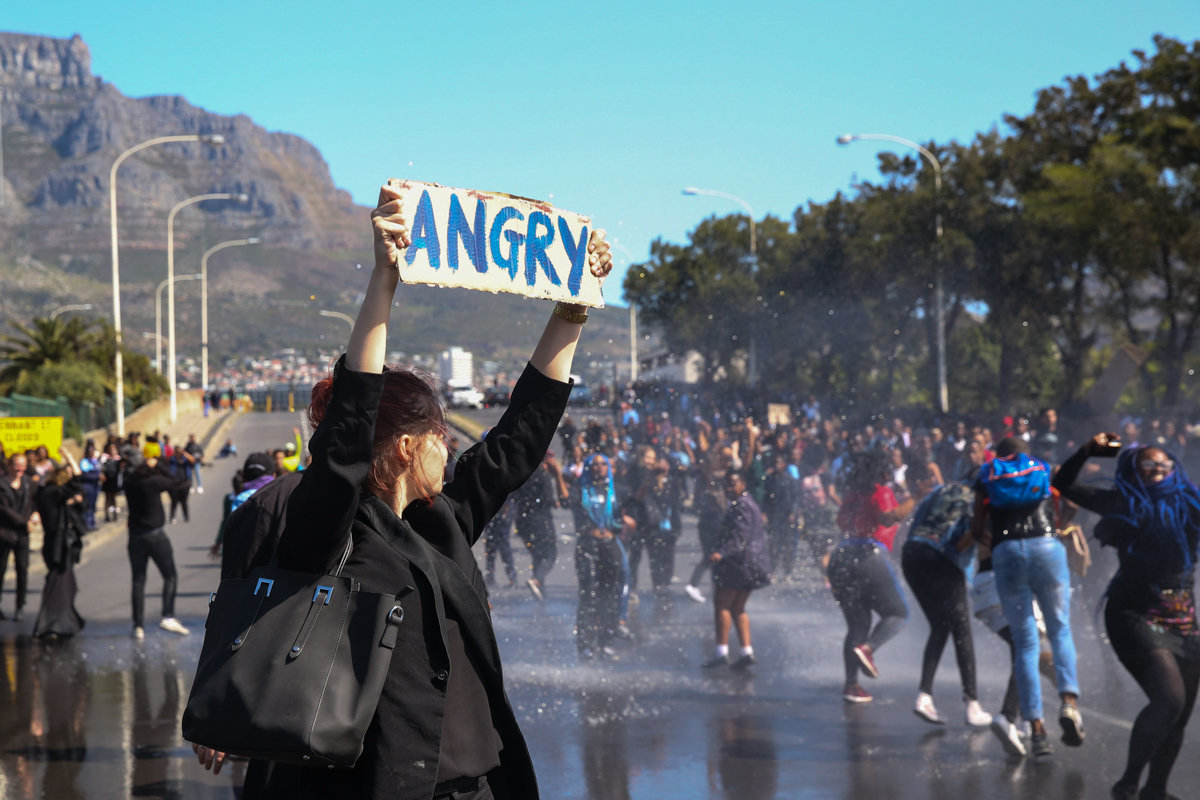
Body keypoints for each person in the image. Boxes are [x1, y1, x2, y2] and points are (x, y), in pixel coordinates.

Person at [206, 184, 613, 799]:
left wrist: (573, 306)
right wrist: (384, 280)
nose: (449, 448)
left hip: (472, 788)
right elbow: (345, 445)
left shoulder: (443, 519)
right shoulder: (327, 535)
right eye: (438, 435)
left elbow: (520, 437)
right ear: (404, 446)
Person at [1053, 435, 1200, 799]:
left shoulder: (1190, 503)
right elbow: (1064, 484)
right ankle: (1128, 784)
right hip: (1133, 614)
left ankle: (1155, 789)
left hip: (1183, 618)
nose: (1156, 473)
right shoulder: (1122, 501)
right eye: (1148, 468)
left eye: (1163, 467)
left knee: (1178, 716)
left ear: (1174, 470)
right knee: (1169, 700)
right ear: (1135, 471)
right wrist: (1087, 449)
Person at [968, 436, 1082, 759]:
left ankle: (1035, 729)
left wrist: (996, 540)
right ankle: (1067, 702)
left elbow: (976, 531)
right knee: (1055, 633)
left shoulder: (987, 479)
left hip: (993, 573)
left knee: (1026, 644)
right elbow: (1071, 504)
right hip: (1044, 551)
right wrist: (1056, 529)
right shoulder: (1042, 471)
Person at [900, 461, 992, 727]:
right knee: (962, 630)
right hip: (941, 558)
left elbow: (916, 523)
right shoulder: (980, 500)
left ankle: (924, 696)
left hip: (912, 554)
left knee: (940, 626)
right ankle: (972, 704)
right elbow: (965, 539)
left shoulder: (942, 490)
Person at [829, 449, 913, 703]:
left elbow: (842, 523)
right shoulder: (881, 491)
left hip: (840, 555)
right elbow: (887, 519)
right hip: (868, 554)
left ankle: (851, 685)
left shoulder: (852, 495)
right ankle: (868, 649)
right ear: (882, 471)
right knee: (899, 613)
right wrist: (914, 499)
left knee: (857, 624)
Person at [123, 442, 193, 639]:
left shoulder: (130, 482)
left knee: (138, 580)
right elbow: (176, 481)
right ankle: (167, 616)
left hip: (134, 536)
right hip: (155, 535)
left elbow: (130, 476)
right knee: (170, 576)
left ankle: (138, 626)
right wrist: (159, 466)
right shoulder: (154, 481)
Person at [702, 470, 770, 670]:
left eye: (733, 484)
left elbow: (740, 537)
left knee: (722, 605)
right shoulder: (747, 503)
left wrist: (720, 553)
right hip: (750, 564)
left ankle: (721, 653)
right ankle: (745, 652)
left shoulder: (741, 505)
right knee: (738, 607)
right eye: (727, 485)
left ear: (743, 484)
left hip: (738, 564)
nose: (729, 489)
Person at [574, 454, 633, 660]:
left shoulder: (615, 490)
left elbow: (636, 499)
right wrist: (556, 476)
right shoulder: (580, 489)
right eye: (594, 464)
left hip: (610, 545)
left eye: (602, 464)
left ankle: (605, 641)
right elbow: (565, 501)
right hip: (587, 545)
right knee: (588, 594)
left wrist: (648, 480)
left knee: (609, 594)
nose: (599, 467)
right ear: (588, 468)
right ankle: (585, 643)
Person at [32, 448, 87, 638]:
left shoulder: (43, 493)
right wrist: (70, 458)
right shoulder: (56, 493)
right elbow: (78, 481)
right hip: (60, 545)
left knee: (65, 584)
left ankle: (67, 622)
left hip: (50, 543)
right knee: (59, 585)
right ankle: (53, 624)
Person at [625, 446, 679, 603]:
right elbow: (637, 495)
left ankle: (659, 586)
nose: (651, 461)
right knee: (634, 557)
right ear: (640, 458)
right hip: (638, 519)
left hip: (652, 522)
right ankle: (631, 588)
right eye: (648, 457)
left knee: (656, 557)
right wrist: (650, 476)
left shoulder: (659, 476)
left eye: (652, 458)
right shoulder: (636, 471)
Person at [515, 451, 562, 602]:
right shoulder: (543, 474)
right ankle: (537, 580)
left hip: (522, 520)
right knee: (549, 554)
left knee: (537, 554)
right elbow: (548, 498)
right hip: (540, 520)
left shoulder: (525, 471)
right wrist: (554, 502)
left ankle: (540, 590)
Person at [0, 452, 37, 621]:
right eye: (17, 465)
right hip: (5, 532)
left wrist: (36, 514)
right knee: (1, 570)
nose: (20, 469)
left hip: (23, 534)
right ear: (10, 465)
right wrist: (25, 522)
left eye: (22, 465)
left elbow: (36, 501)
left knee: (22, 570)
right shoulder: (2, 484)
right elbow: (5, 510)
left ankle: (20, 606)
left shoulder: (29, 483)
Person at [762, 451, 801, 578]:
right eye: (775, 462)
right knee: (773, 545)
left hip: (787, 517)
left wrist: (793, 513)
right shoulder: (769, 479)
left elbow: (796, 498)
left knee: (788, 545)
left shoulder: (790, 480)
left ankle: (787, 572)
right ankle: (772, 570)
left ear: (784, 464)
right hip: (774, 516)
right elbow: (765, 498)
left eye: (779, 462)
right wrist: (764, 513)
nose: (777, 465)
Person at [483, 496, 519, 588]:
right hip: (494, 507)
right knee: (491, 546)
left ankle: (512, 577)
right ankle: (491, 575)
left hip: (501, 507)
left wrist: (506, 504)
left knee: (502, 545)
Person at [78, 441, 102, 531]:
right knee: (87, 505)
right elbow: (85, 474)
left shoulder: (95, 461)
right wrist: (97, 476)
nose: (92, 453)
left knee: (93, 505)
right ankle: (86, 523)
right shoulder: (84, 462)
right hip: (88, 486)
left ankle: (91, 523)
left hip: (95, 486)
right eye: (90, 452)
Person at [100, 442, 122, 522]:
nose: (113, 450)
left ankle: (114, 514)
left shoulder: (118, 459)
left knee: (113, 498)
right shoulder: (105, 458)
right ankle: (107, 515)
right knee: (107, 498)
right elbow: (101, 467)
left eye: (114, 449)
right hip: (107, 480)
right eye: (111, 449)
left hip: (114, 480)